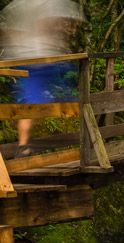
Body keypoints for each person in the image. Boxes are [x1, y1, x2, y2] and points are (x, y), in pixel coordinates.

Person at [0, 0, 83, 157]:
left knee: (32, 100)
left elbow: (7, 30)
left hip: (32, 58)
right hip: (36, 59)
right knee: (34, 100)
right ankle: (27, 144)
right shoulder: (42, 4)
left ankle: (28, 144)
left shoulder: (19, 6)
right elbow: (50, 22)